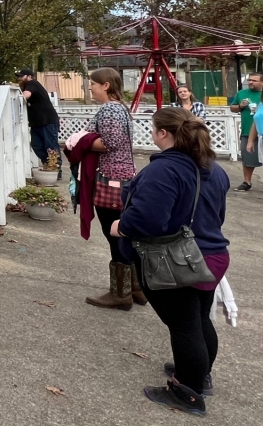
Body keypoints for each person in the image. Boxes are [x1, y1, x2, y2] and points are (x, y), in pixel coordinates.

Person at [111, 107, 229, 417]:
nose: (151, 134)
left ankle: (187, 391)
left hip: (180, 257)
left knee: (185, 326)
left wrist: (120, 227)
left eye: (153, 129)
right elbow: (219, 215)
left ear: (164, 133)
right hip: (213, 253)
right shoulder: (212, 168)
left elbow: (150, 219)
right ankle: (199, 375)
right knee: (199, 319)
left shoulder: (167, 169)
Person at [82, 67, 140, 310]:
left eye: (93, 84)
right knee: (124, 232)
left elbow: (110, 143)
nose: (90, 88)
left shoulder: (109, 109)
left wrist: (80, 140)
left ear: (105, 85)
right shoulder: (121, 109)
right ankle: (136, 287)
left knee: (114, 233)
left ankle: (120, 293)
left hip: (110, 178)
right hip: (124, 176)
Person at [16, 69, 60, 165]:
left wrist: (16, 97)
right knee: (36, 145)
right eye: (19, 76)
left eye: (21, 76)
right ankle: (48, 164)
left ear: (29, 76)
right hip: (37, 122)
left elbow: (25, 96)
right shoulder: (28, 85)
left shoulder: (32, 83)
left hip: (47, 120)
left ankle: (55, 168)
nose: (19, 78)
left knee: (51, 146)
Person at [228, 70, 262, 191]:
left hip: (261, 130)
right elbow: (233, 108)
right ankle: (247, 181)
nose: (250, 82)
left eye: (254, 80)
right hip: (248, 130)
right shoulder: (241, 93)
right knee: (247, 157)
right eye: (249, 80)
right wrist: (240, 106)